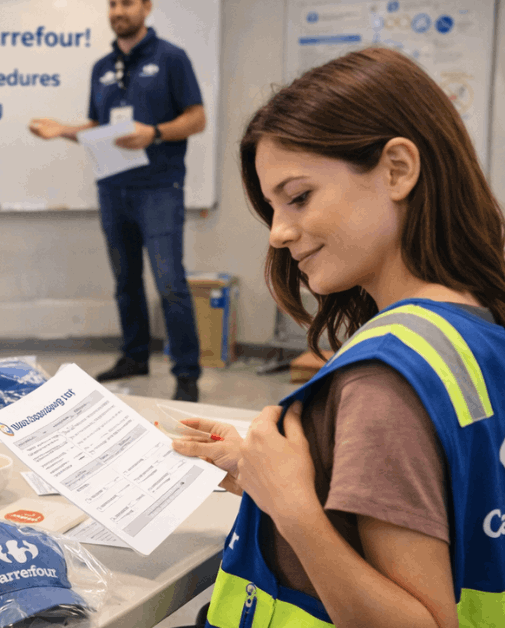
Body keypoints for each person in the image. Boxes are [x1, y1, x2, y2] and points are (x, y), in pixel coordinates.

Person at [171, 47, 505, 627]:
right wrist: (269, 473)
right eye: (272, 207)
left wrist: (293, 506)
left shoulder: (383, 380)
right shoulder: (475, 325)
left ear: (397, 170)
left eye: (299, 196)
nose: (278, 233)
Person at [28, 0, 205, 402]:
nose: (117, 11)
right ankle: (134, 356)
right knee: (125, 281)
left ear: (146, 7)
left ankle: (187, 374)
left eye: (126, 3)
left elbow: (197, 118)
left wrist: (154, 133)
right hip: (112, 188)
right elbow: (99, 127)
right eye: (111, 4)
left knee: (170, 284)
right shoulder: (102, 67)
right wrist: (63, 130)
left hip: (158, 188)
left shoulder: (171, 58)